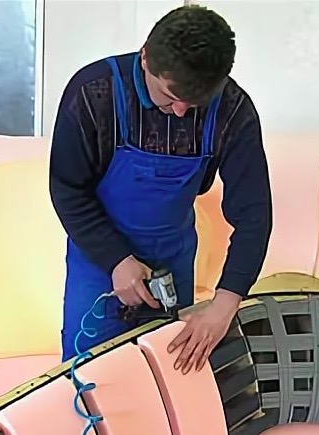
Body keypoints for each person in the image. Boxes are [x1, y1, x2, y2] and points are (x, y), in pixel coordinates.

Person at [49, 5, 272, 373]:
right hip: (98, 259)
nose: (181, 111)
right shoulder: (93, 94)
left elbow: (254, 215)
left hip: (173, 258)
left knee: (168, 372)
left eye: (196, 102)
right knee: (89, 376)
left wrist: (225, 304)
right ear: (145, 57)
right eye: (169, 96)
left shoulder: (233, 110)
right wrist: (116, 260)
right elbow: (67, 189)